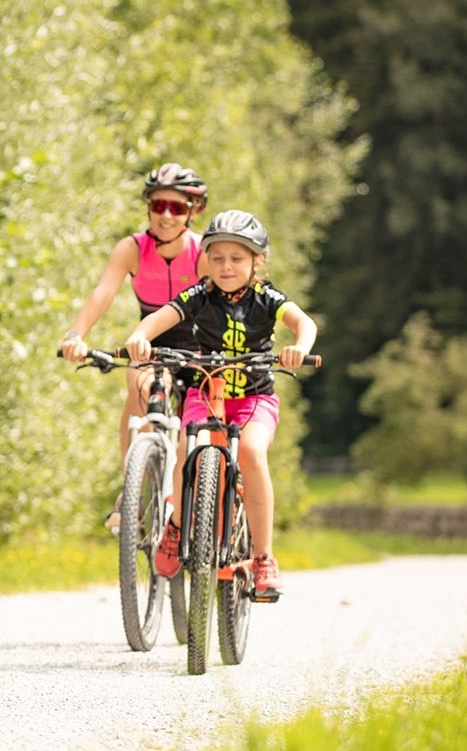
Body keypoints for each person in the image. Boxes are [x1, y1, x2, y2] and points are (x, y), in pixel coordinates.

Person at [122, 210, 317, 600]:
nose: (226, 267)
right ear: (206, 260)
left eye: (237, 259)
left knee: (251, 452)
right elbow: (161, 317)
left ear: (256, 262)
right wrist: (140, 337)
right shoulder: (200, 294)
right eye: (217, 258)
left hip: (254, 397)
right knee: (185, 449)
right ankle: (177, 527)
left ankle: (263, 558)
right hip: (206, 392)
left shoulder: (266, 297)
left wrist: (298, 348)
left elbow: (305, 323)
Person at [61, 163, 210, 533]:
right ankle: (132, 489)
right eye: (158, 205)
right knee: (139, 389)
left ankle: (185, 496)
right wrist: (75, 336)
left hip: (199, 346)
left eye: (176, 208)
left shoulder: (204, 252)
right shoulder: (132, 248)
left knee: (201, 427)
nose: (165, 215)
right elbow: (102, 293)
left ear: (193, 211)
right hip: (151, 343)